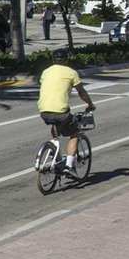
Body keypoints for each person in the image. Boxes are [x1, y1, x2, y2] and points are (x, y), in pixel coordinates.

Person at [37, 50, 94, 179]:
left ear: (53, 60)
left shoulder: (46, 72)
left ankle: (53, 149)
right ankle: (68, 165)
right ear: (66, 60)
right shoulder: (71, 73)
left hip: (44, 111)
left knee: (55, 126)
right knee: (74, 134)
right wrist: (90, 104)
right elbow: (82, 93)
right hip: (61, 111)